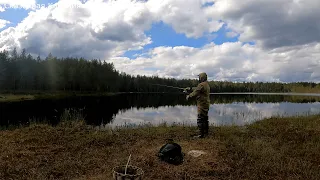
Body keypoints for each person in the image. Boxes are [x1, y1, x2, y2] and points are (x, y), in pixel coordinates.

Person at [186, 72, 210, 138]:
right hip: (206, 104)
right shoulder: (206, 84)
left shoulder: (201, 84)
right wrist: (190, 88)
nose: (198, 78)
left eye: (199, 77)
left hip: (202, 104)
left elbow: (196, 92)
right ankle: (205, 132)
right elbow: (197, 89)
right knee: (205, 118)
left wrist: (189, 96)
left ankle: (200, 134)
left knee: (200, 118)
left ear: (201, 77)